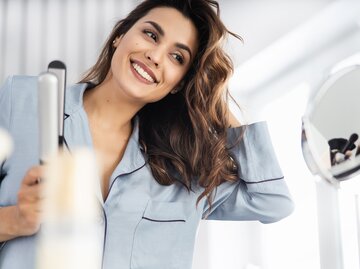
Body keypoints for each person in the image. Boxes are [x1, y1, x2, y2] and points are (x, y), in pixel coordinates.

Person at [0, 0, 294, 268]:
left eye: (177, 57)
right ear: (120, 35)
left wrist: (212, 103)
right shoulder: (23, 99)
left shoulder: (183, 170)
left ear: (180, 83)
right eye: (151, 35)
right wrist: (18, 220)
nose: (155, 55)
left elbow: (272, 201)